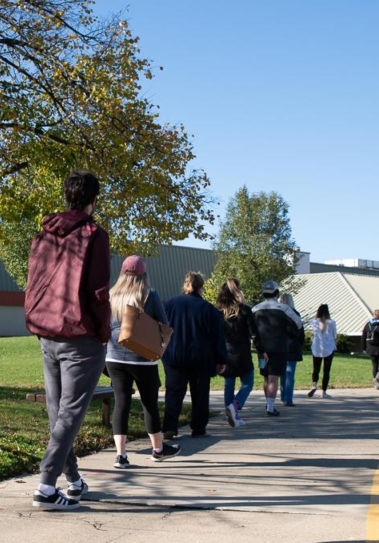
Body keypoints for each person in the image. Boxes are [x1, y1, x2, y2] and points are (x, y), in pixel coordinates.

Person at [23, 171, 111, 509]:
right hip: (79, 333)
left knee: (58, 410)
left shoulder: (44, 235)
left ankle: (72, 479)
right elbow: (98, 292)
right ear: (93, 200)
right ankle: (46, 486)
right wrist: (103, 332)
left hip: (47, 330)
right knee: (70, 412)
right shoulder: (93, 234)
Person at [106, 256, 179, 466]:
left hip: (113, 356)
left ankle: (121, 455)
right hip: (142, 356)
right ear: (143, 274)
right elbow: (163, 324)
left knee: (121, 403)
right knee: (149, 404)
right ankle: (158, 449)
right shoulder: (149, 293)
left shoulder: (111, 294)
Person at [161, 272, 227, 439]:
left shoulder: (170, 305)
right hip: (200, 356)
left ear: (186, 285)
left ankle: (169, 426)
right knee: (200, 394)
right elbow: (217, 337)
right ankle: (198, 428)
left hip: (174, 354)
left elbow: (161, 327)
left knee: (174, 392)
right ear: (201, 287)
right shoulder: (208, 309)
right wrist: (221, 359)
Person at [251, 280, 302, 416]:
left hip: (261, 350)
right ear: (277, 293)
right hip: (279, 348)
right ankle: (270, 406)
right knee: (274, 377)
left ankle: (268, 402)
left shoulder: (255, 309)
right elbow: (298, 323)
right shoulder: (283, 308)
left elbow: (249, 328)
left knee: (265, 376)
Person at [216, 279, 255, 427]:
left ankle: (231, 413)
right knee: (248, 382)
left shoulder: (219, 312)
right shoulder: (244, 310)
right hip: (242, 352)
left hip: (225, 352)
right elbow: (253, 332)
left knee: (229, 384)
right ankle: (235, 406)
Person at [278, 292, 304, 406]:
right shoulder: (295, 314)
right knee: (290, 374)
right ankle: (288, 399)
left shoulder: (278, 314)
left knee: (282, 374)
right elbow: (300, 331)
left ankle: (283, 396)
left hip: (280, 346)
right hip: (293, 346)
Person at [308, 304, 338, 398]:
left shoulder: (314, 322)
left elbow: (314, 333)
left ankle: (314, 384)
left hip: (317, 347)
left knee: (316, 368)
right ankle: (324, 392)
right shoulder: (332, 322)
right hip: (329, 347)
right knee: (326, 370)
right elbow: (335, 335)